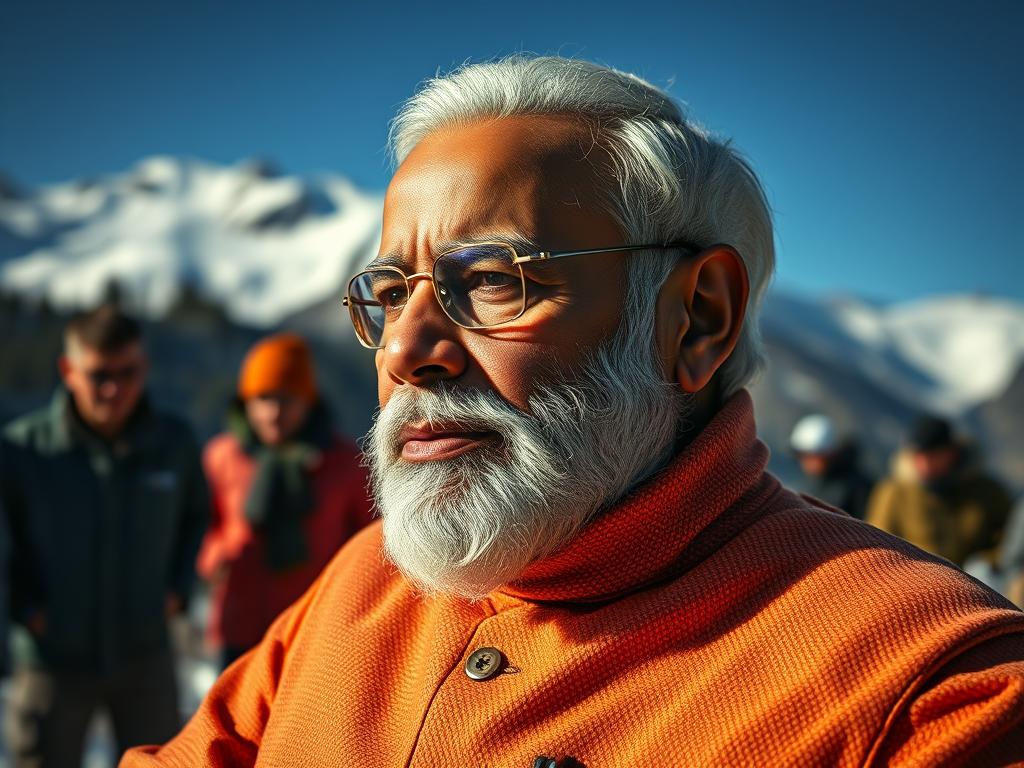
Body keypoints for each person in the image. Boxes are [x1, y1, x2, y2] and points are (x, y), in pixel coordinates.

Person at [123, 56, 1024, 767]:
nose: (403, 352)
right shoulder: (359, 585)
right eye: (390, 294)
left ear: (697, 318)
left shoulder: (928, 691)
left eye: (490, 281)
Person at [1, 304, 209, 766]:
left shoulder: (174, 444)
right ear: (67, 371)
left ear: (145, 367)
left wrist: (178, 588)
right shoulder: (23, 450)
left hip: (145, 651)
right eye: (98, 375)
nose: (114, 389)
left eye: (127, 373)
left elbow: (198, 515)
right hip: (52, 656)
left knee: (161, 761)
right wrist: (24, 607)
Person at [197, 333, 373, 669]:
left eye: (287, 399)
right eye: (264, 399)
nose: (274, 413)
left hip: (312, 625)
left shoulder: (344, 462)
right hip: (238, 623)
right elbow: (201, 523)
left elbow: (368, 539)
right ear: (245, 402)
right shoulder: (222, 457)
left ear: (307, 402)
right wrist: (217, 558)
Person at [866, 413, 1012, 568]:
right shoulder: (893, 493)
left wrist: (987, 562)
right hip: (916, 578)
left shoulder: (986, 491)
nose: (924, 464)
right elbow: (878, 543)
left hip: (978, 581)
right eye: (919, 456)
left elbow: (1008, 539)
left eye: (932, 456)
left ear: (951, 453)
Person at [788, 413, 874, 519]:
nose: (806, 461)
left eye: (812, 455)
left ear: (829, 453)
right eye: (799, 454)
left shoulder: (857, 489)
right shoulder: (818, 483)